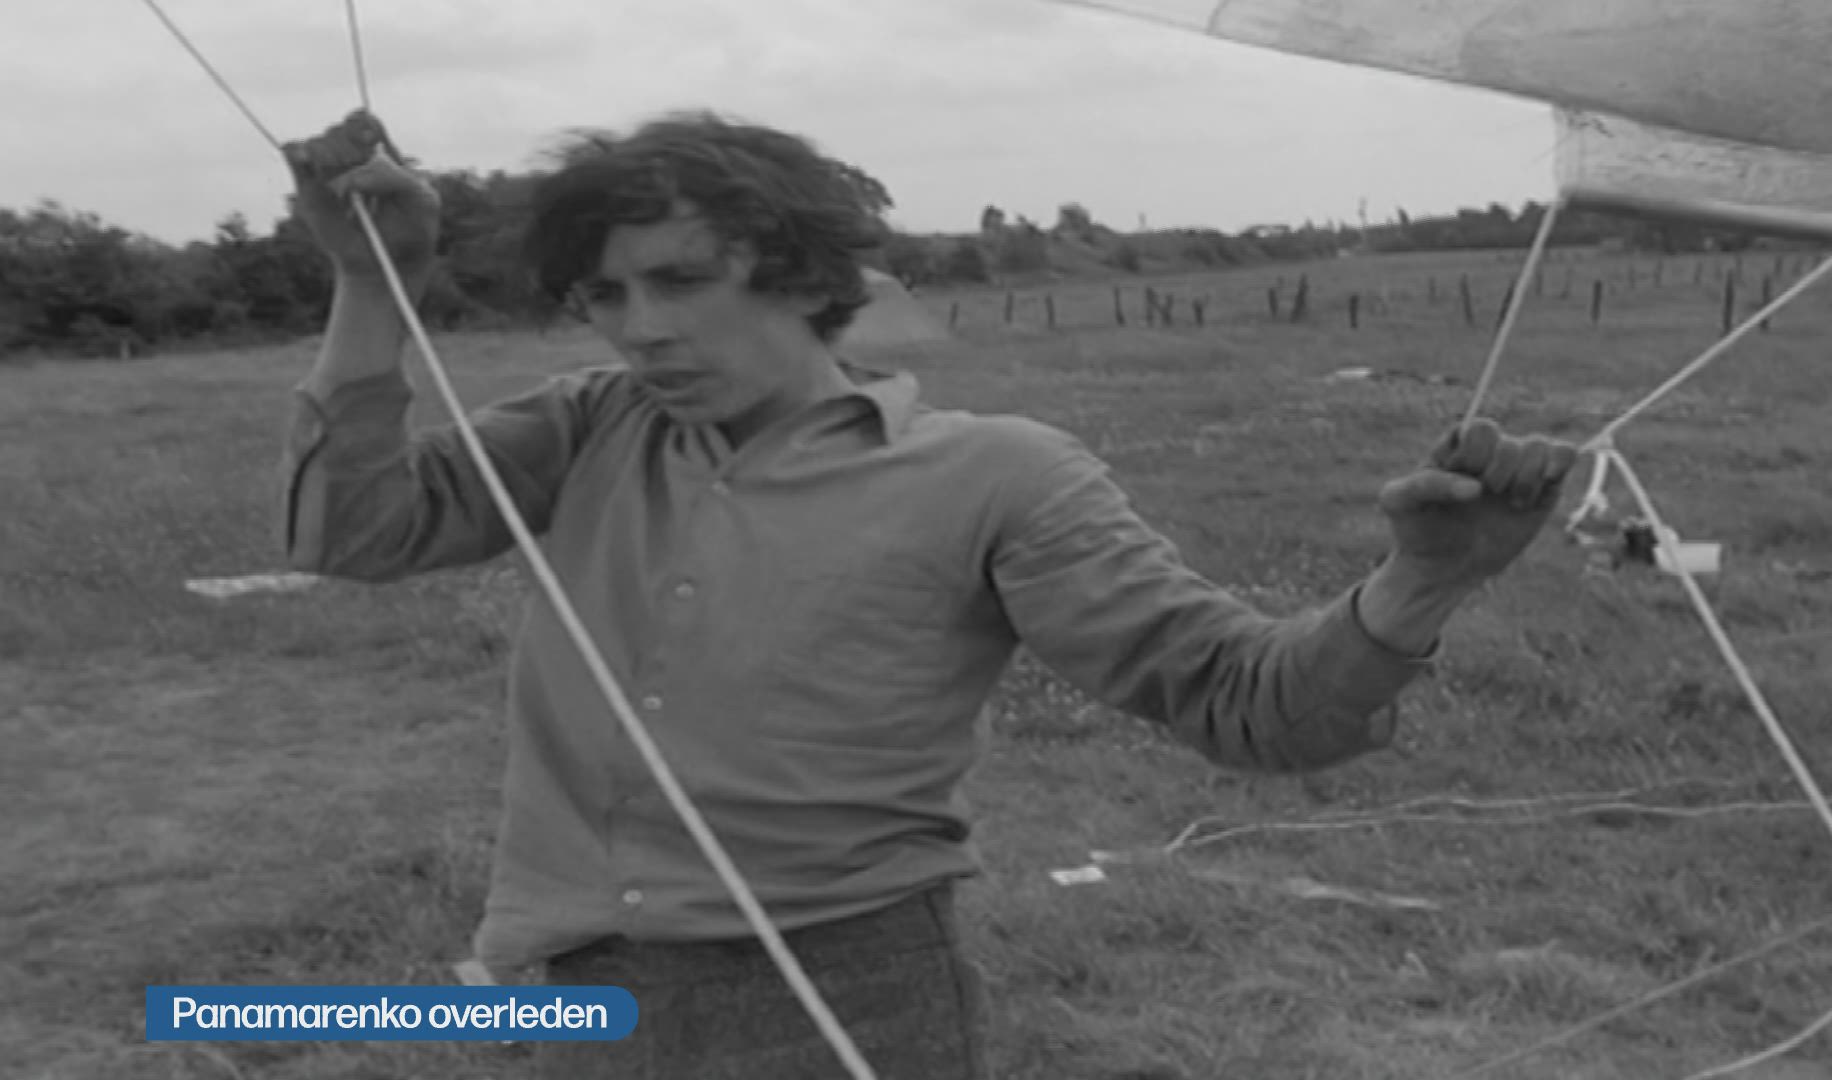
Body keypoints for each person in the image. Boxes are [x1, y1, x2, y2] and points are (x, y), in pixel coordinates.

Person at [279, 108, 1579, 1079]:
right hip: (576, 989)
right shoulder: (588, 426)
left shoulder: (996, 476)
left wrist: (1419, 584)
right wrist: (368, 280)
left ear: (800, 275)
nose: (640, 328)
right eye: (605, 295)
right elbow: (352, 529)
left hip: (836, 987)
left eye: (681, 279)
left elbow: (1250, 702)